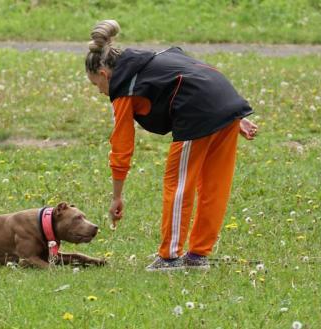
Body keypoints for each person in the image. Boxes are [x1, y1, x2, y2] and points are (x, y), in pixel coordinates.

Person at [85, 20, 258, 271]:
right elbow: (198, 75)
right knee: (214, 186)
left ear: (104, 74)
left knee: (178, 184)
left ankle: (170, 258)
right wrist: (233, 117)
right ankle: (197, 256)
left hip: (198, 113)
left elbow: (122, 147)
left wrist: (117, 196)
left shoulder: (123, 87)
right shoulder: (153, 60)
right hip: (225, 102)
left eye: (96, 85)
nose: (99, 91)